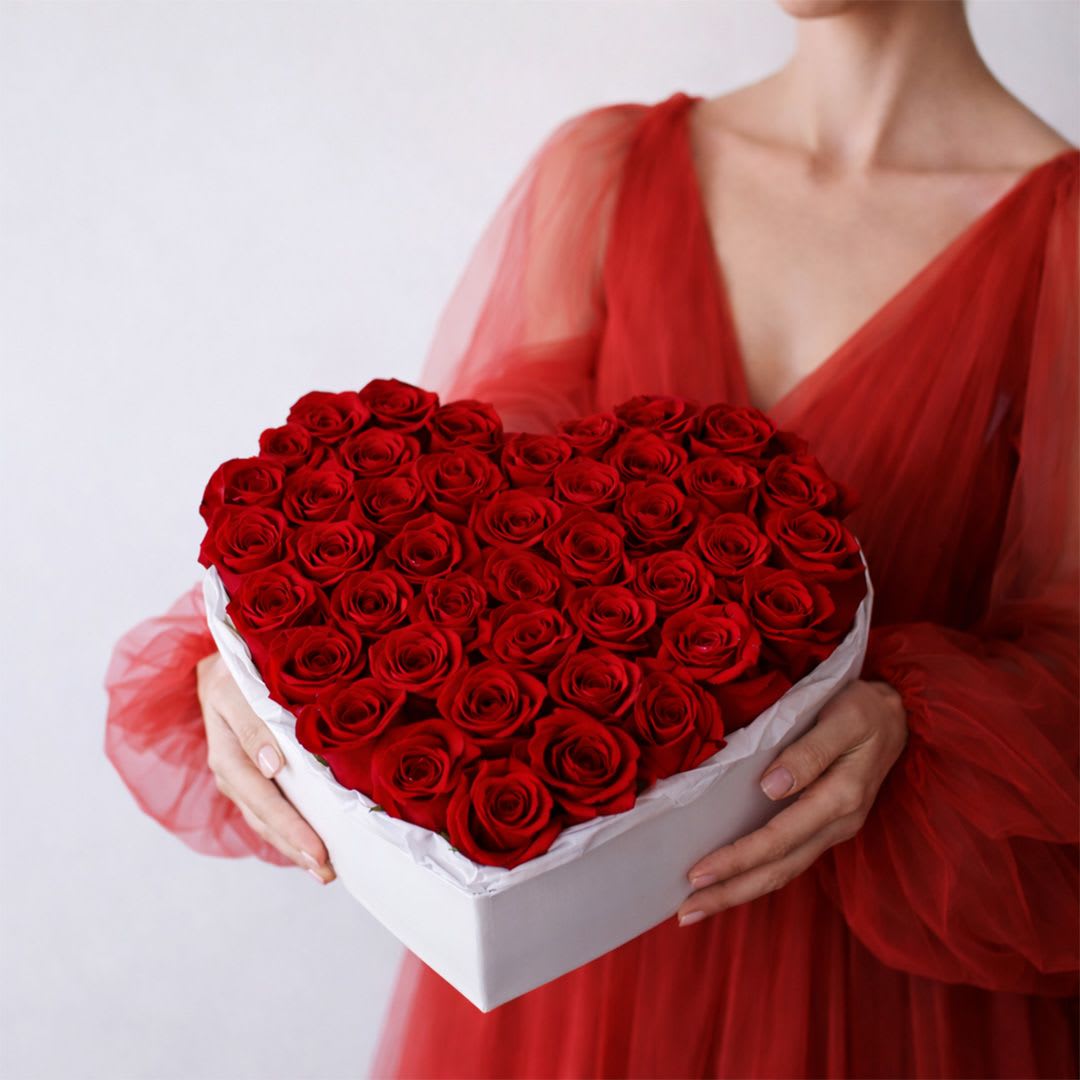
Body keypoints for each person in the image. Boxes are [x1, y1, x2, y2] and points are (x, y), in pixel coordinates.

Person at [104, 0, 1079, 1075]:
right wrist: (261, 660)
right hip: (567, 978)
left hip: (875, 986)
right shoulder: (609, 171)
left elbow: (1069, 640)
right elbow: (459, 521)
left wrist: (911, 720)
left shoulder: (1064, 237)